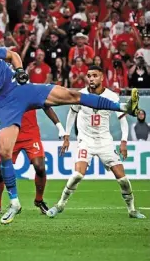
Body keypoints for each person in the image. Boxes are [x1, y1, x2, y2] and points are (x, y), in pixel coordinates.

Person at [0, 33, 139, 225]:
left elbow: (12, 55)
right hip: (5, 106)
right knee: (5, 152)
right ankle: (14, 202)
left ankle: (122, 106)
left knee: (72, 95)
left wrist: (20, 71)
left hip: (23, 89)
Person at [47, 66, 145, 219]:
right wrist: (66, 136)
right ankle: (59, 205)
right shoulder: (81, 95)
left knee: (123, 179)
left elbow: (122, 120)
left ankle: (132, 210)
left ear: (101, 78)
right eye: (88, 76)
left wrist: (124, 141)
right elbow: (72, 114)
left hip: (105, 141)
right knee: (78, 175)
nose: (91, 78)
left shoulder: (112, 96)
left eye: (94, 75)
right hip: (85, 140)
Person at [0, 108, 64, 215]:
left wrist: (60, 127)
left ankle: (39, 200)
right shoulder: (3, 93)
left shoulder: (32, 91)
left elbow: (46, 106)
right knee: (0, 172)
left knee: (40, 167)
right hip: (10, 135)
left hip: (31, 135)